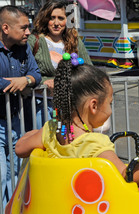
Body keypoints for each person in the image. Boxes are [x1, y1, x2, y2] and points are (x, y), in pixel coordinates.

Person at [15, 55, 139, 186]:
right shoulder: (93, 144)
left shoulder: (52, 130)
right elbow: (128, 176)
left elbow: (20, 148)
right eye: (109, 103)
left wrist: (36, 133)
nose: (110, 108)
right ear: (93, 106)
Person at [0, 5, 41, 214]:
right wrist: (13, 83)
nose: (29, 32)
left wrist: (24, 80)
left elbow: (34, 73)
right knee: (1, 173)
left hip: (14, 119)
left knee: (14, 172)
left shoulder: (24, 48)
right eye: (24, 27)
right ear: (6, 28)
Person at [27, 0, 92, 129]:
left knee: (66, 143)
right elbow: (25, 70)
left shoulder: (74, 40)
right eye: (52, 18)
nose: (56, 23)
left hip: (71, 105)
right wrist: (44, 81)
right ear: (45, 19)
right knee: (44, 143)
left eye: (60, 18)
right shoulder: (35, 41)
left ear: (66, 20)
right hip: (42, 105)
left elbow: (89, 68)